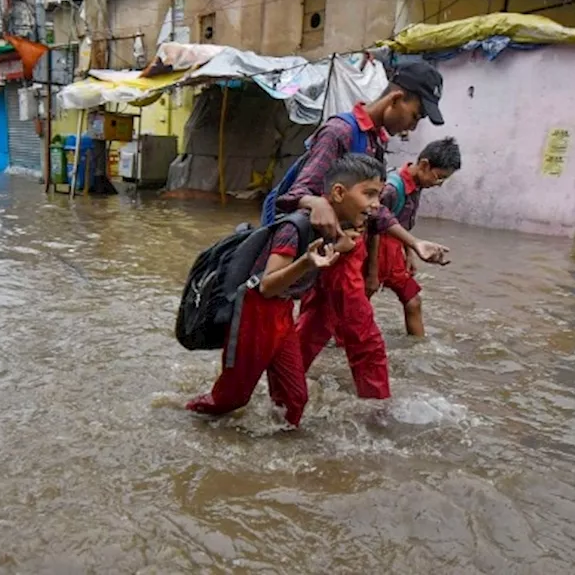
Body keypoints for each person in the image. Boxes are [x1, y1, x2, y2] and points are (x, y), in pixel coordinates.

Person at [273, 61, 451, 408]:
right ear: (396, 99)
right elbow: (294, 193)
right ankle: (379, 414)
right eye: (415, 116)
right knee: (366, 340)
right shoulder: (340, 131)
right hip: (333, 252)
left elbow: (375, 210)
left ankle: (278, 395)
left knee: (312, 332)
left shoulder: (373, 141)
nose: (413, 126)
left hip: (345, 252)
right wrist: (313, 202)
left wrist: (413, 242)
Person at [187, 154, 387, 426]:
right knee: (231, 399)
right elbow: (267, 286)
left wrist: (336, 250)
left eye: (379, 196)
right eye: (370, 194)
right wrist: (306, 262)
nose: (376, 205)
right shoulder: (295, 227)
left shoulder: (332, 229)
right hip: (254, 314)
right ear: (339, 193)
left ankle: (280, 450)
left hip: (281, 312)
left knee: (294, 398)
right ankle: (184, 413)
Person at [365, 137, 462, 338]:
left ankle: (419, 349)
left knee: (413, 300)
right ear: (425, 165)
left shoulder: (417, 186)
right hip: (375, 252)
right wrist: (372, 273)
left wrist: (409, 254)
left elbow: (404, 224)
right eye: (439, 177)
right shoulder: (391, 189)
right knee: (358, 305)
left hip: (396, 251)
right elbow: (374, 228)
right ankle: (340, 346)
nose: (439, 184)